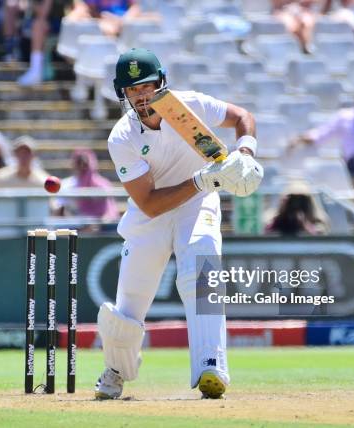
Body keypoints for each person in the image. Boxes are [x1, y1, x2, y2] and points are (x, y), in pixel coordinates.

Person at [93, 48, 263, 400]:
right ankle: (116, 370)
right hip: (151, 214)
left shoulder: (190, 106)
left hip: (198, 204)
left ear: (161, 82)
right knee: (130, 300)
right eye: (132, 89)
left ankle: (210, 366)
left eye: (146, 85)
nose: (141, 95)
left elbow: (242, 116)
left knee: (202, 264)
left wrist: (245, 152)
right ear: (122, 94)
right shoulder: (122, 138)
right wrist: (203, 180)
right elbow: (150, 203)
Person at [52, 148, 119, 221]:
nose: (82, 166)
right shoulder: (67, 185)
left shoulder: (103, 184)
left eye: (85, 163)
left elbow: (109, 213)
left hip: (101, 227)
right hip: (75, 226)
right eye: (79, 162)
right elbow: (58, 210)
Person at [265, 179, 329, 235]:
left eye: (302, 201)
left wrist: (308, 229)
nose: (296, 204)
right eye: (292, 200)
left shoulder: (319, 226)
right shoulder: (273, 224)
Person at [66, 0, 143, 37]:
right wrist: (101, 20)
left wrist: (122, 21)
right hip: (101, 24)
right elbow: (87, 10)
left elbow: (136, 7)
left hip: (124, 24)